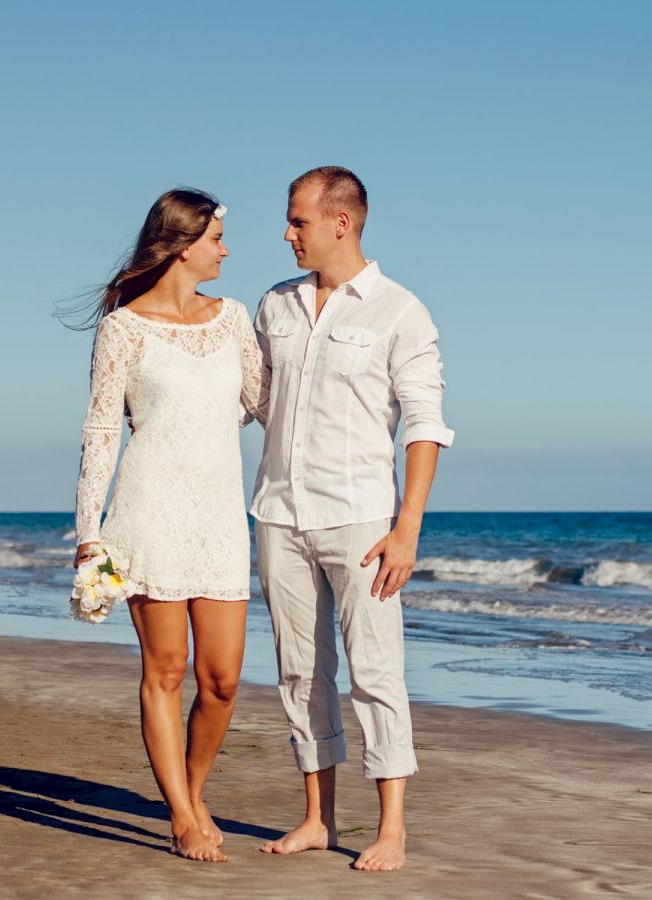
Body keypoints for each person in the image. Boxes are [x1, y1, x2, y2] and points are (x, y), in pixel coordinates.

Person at [252, 166, 454, 872]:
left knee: (375, 672)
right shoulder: (274, 306)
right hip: (279, 513)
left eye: (298, 221)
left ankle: (391, 827)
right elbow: (254, 400)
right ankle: (317, 817)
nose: (287, 233)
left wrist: (408, 527)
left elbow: (425, 425)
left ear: (342, 222)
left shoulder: (401, 310)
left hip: (364, 521)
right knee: (299, 672)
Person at [70, 188, 268, 863]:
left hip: (218, 517)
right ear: (182, 245)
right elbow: (100, 430)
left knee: (222, 680)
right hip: (147, 511)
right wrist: (87, 534)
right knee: (167, 668)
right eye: (217, 238)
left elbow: (262, 404)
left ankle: (191, 789)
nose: (226, 249)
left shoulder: (234, 318)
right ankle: (183, 815)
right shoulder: (123, 328)